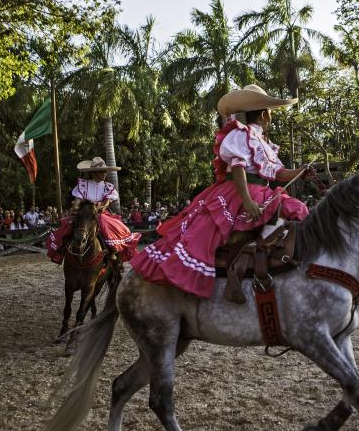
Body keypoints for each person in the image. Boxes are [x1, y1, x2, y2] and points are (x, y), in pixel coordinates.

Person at [131, 84, 314, 299]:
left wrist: (301, 171)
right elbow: (237, 167)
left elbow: (279, 173)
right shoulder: (240, 133)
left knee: (298, 209)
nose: (270, 118)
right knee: (229, 233)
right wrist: (246, 200)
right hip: (240, 191)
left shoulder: (265, 143)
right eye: (270, 114)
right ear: (265, 114)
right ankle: (240, 271)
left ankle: (277, 262)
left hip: (264, 191)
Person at [47, 157, 141, 267]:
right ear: (93, 173)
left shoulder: (108, 186)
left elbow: (107, 201)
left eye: (105, 171)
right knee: (69, 225)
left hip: (100, 212)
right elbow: (78, 200)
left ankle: (113, 253)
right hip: (85, 212)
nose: (104, 173)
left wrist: (100, 206)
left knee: (104, 221)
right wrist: (75, 208)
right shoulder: (83, 185)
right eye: (102, 171)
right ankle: (62, 250)